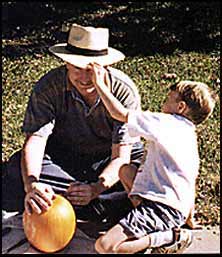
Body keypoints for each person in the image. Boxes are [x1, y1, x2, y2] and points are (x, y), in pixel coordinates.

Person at [2, 24, 144, 225]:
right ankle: (87, 203)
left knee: (140, 176)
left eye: (91, 70)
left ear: (105, 67)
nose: (85, 79)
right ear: (65, 63)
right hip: (66, 156)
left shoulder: (123, 91)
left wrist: (96, 188)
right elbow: (35, 141)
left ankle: (78, 200)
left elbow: (121, 156)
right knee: (18, 169)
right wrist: (31, 184)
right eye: (77, 68)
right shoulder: (49, 86)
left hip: (109, 160)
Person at [88, 63, 218, 254]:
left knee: (104, 246)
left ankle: (166, 237)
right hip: (174, 206)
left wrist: (99, 84)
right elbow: (190, 181)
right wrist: (188, 217)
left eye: (169, 99)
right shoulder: (189, 135)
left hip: (161, 207)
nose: (163, 102)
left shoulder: (167, 122)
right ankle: (155, 225)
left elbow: (120, 114)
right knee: (125, 170)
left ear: (180, 107)